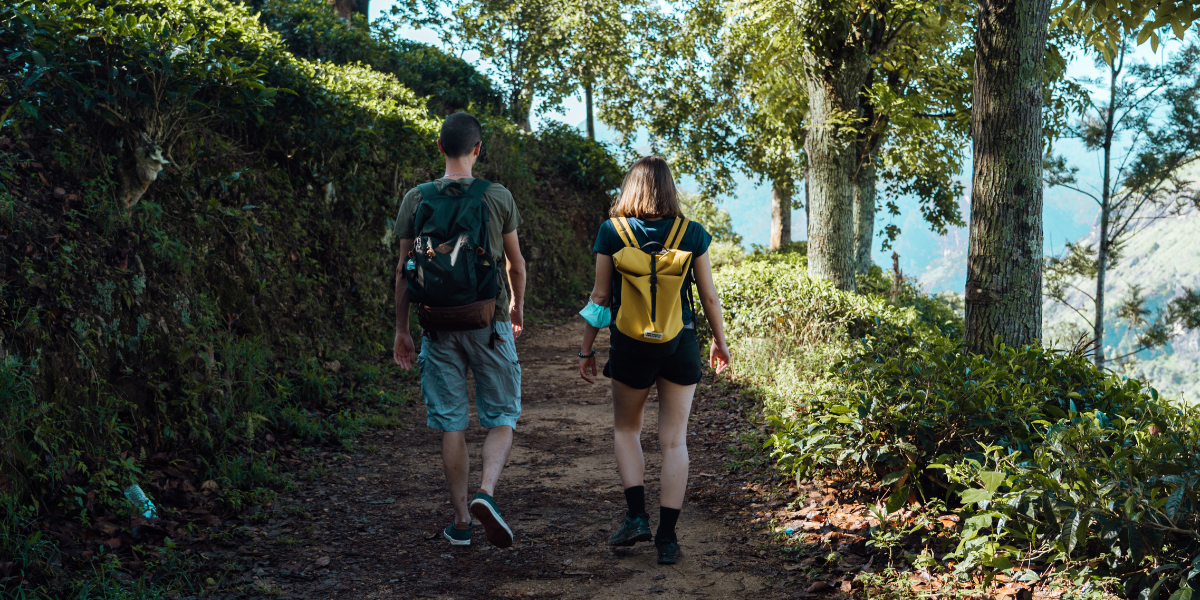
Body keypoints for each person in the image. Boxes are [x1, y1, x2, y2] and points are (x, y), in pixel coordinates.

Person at [577, 156, 731, 565]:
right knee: (674, 440)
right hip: (679, 343)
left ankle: (635, 517)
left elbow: (600, 297)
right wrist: (719, 342)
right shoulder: (692, 232)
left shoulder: (612, 232)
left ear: (630, 187)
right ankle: (667, 539)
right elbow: (709, 296)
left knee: (627, 430)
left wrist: (587, 348)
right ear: (669, 189)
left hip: (630, 346)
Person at [393, 112, 526, 548]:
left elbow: (402, 270)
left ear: (438, 147)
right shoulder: (497, 196)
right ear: (478, 148)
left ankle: (461, 523)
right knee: (502, 415)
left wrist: (402, 330)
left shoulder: (416, 198)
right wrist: (516, 306)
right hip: (489, 322)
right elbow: (516, 264)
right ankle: (486, 494)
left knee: (452, 423)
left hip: (436, 324)